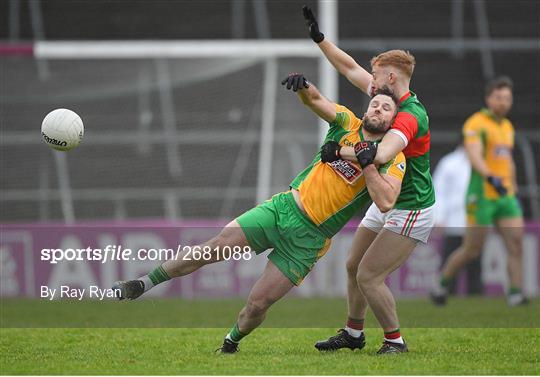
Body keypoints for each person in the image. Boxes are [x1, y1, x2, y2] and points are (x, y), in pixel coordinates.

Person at [113, 75, 407, 354]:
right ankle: (142, 284)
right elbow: (317, 100)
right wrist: (303, 86)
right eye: (374, 104)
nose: (378, 109)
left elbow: (386, 200)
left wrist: (368, 162)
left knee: (257, 304)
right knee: (213, 248)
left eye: (386, 108)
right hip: (282, 209)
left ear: (393, 120)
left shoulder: (392, 158)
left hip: (308, 240)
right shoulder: (346, 124)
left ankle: (230, 342)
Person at [302, 6, 435, 354]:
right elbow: (349, 69)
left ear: (390, 78)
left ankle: (395, 341)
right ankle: (353, 334)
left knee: (369, 275)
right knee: (352, 266)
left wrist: (337, 151)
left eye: (375, 76)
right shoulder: (388, 98)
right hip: (384, 197)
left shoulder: (408, 116)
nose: (369, 82)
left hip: (409, 207)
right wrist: (321, 41)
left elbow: (376, 156)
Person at [431, 76, 527, 307]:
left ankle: (515, 293)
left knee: (516, 243)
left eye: (507, 98)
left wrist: (512, 186)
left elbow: (507, 160)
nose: (503, 102)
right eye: (499, 98)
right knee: (472, 249)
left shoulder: (507, 127)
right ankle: (442, 284)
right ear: (488, 99)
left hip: (504, 195)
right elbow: (474, 156)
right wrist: (490, 177)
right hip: (482, 194)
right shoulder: (476, 123)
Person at [433, 145, 482, 295]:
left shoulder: (482, 162)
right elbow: (438, 191)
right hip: (453, 220)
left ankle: (476, 295)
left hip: (476, 220)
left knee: (475, 262)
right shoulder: (449, 163)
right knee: (451, 257)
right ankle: (446, 292)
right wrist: (439, 217)